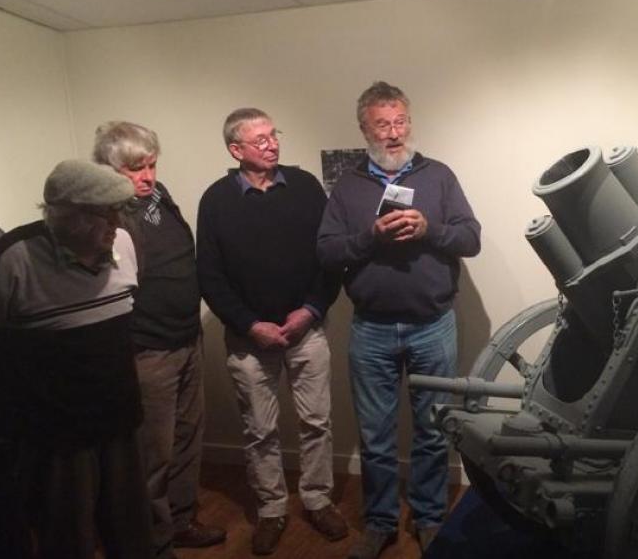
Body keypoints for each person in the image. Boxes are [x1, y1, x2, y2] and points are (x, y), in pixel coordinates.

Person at [317, 81, 481, 559]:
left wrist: (430, 229)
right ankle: (381, 522)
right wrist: (370, 236)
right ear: (364, 129)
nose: (393, 133)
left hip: (434, 324)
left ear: (410, 123)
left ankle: (429, 518)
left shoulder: (439, 176)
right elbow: (327, 252)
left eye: (400, 122)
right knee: (375, 435)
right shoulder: (349, 186)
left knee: (433, 430)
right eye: (382, 124)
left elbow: (471, 239)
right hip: (371, 328)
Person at [0, 160, 152, 559]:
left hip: (121, 417)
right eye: (102, 213)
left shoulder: (122, 242)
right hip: (56, 434)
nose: (115, 222)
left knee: (132, 531)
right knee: (67, 536)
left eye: (117, 211)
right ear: (64, 215)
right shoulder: (15, 259)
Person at [196, 108, 347, 555]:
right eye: (259, 139)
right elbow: (210, 274)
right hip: (248, 339)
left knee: (316, 422)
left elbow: (330, 257)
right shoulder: (216, 199)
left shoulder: (304, 187)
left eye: (273, 135)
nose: (271, 144)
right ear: (235, 149)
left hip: (307, 330)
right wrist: (248, 324)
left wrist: (312, 309)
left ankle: (317, 500)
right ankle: (272, 509)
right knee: (259, 430)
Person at [93, 121, 225, 558]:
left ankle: (182, 520)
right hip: (148, 350)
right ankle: (152, 541)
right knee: (154, 454)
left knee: (189, 438)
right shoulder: (105, 218)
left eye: (151, 164)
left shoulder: (158, 196)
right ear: (109, 169)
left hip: (186, 339)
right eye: (135, 168)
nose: (147, 176)